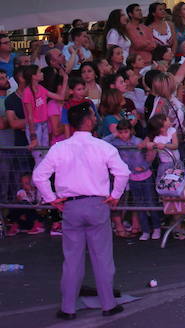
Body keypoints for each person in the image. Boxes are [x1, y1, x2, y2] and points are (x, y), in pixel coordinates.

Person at [32, 102, 130, 320]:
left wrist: (52, 199)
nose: (96, 118)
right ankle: (108, 304)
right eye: (93, 116)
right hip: (97, 204)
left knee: (72, 259)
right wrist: (115, 195)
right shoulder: (104, 147)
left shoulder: (59, 148)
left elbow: (39, 176)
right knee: (102, 257)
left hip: (71, 205)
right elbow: (122, 173)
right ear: (88, 120)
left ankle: (68, 308)